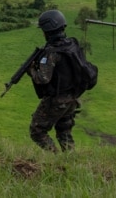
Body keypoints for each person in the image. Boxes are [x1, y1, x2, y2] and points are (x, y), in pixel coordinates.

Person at [26, 10, 96, 153]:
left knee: (37, 131)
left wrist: (31, 70)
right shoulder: (71, 44)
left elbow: (43, 78)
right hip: (72, 98)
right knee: (64, 131)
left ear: (47, 31)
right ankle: (70, 160)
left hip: (57, 100)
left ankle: (55, 158)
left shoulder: (52, 52)